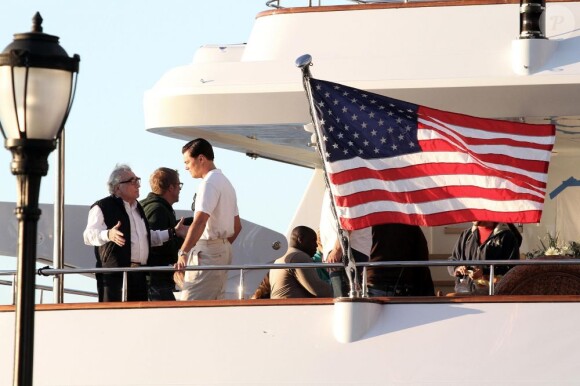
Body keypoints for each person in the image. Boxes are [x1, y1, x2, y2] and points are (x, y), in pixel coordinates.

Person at [83, 164, 187, 302]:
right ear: (117, 187)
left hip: (139, 275)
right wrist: (108, 235)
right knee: (115, 318)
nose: (138, 185)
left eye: (138, 180)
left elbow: (146, 237)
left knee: (138, 318)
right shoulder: (102, 207)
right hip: (115, 277)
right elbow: (88, 236)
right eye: (133, 181)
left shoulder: (138, 208)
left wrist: (173, 232)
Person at [176, 138, 242, 300]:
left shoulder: (209, 183)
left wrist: (183, 252)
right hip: (223, 251)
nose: (186, 167)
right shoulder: (226, 183)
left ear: (201, 158)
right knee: (213, 305)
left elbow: (200, 221)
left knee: (190, 305)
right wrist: (220, 245)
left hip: (208, 253)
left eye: (187, 162)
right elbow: (237, 226)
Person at [140, 167, 184, 301]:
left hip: (151, 279)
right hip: (156, 281)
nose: (180, 189)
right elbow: (155, 245)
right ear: (171, 188)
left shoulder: (145, 206)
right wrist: (181, 238)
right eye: (178, 185)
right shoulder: (158, 210)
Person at [319, 188, 372, 297]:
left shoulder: (345, 185)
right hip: (343, 250)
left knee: (344, 299)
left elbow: (348, 219)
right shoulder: (335, 185)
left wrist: (337, 249)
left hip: (347, 250)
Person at [448, 221, 521, 294]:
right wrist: (457, 268)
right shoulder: (466, 235)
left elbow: (512, 269)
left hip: (492, 295)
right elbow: (452, 260)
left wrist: (485, 271)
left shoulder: (507, 236)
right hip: (463, 293)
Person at [367, 223, 435, 297]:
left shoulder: (371, 222)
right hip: (400, 284)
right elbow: (422, 259)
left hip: (373, 281)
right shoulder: (410, 226)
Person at [270, 226, 333, 299]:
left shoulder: (283, 256)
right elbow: (318, 289)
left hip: (282, 306)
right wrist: (341, 289)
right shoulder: (298, 256)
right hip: (293, 307)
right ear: (301, 239)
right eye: (313, 240)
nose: (316, 245)